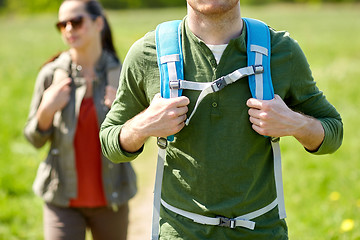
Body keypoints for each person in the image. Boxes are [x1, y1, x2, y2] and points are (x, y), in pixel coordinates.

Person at [100, 0, 343, 239]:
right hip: (180, 232)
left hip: (261, 231)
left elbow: (333, 132)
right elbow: (109, 141)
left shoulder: (281, 50)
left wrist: (294, 123)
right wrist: (144, 125)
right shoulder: (147, 53)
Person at [24, 0, 136, 239]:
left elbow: (137, 140)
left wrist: (126, 115)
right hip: (61, 200)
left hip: (112, 199)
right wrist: (46, 110)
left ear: (98, 23)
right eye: (61, 24)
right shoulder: (50, 75)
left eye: (76, 21)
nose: (68, 29)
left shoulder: (122, 74)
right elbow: (33, 139)